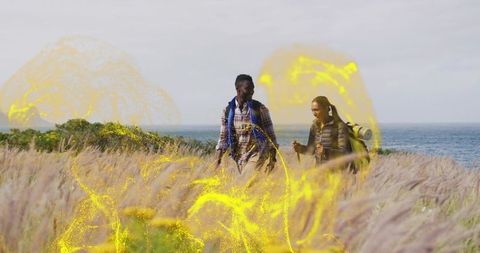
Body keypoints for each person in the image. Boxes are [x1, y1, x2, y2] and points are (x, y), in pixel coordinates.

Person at [215, 74, 278, 175]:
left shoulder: (260, 109)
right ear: (238, 89)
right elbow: (223, 138)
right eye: (248, 89)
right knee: (240, 188)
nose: (252, 92)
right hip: (237, 157)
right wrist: (217, 161)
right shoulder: (227, 111)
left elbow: (271, 136)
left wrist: (272, 160)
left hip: (257, 154)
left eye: (253, 89)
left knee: (244, 181)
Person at [292, 96, 351, 167]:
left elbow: (345, 153)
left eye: (316, 110)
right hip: (320, 171)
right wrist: (300, 148)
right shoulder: (314, 126)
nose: (314, 113)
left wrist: (326, 152)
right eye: (312, 110)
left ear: (326, 108)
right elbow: (311, 150)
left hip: (337, 172)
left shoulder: (340, 126)